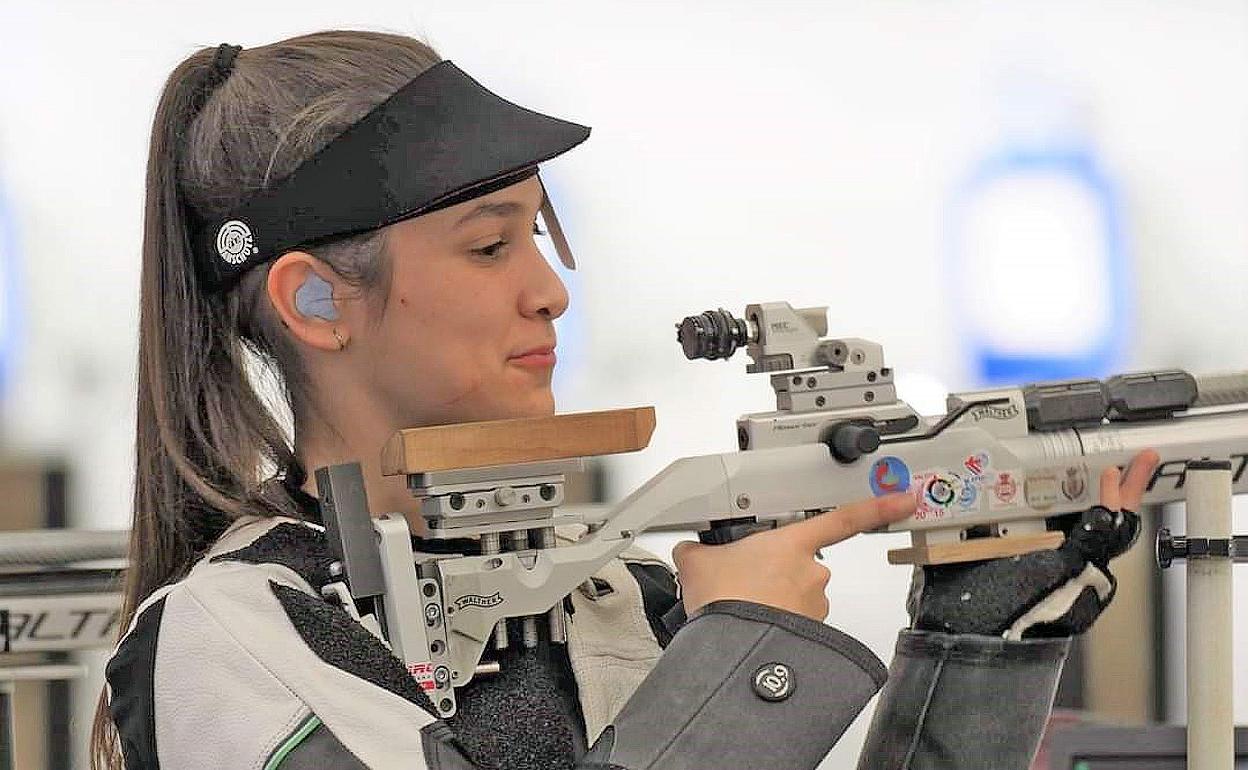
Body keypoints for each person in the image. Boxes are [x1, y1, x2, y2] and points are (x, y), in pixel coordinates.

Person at [92, 30, 1159, 770]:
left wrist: (976, 650)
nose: (549, 289)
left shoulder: (613, 596)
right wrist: (744, 654)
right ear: (316, 300)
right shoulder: (230, 641)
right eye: (489, 246)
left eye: (537, 235)